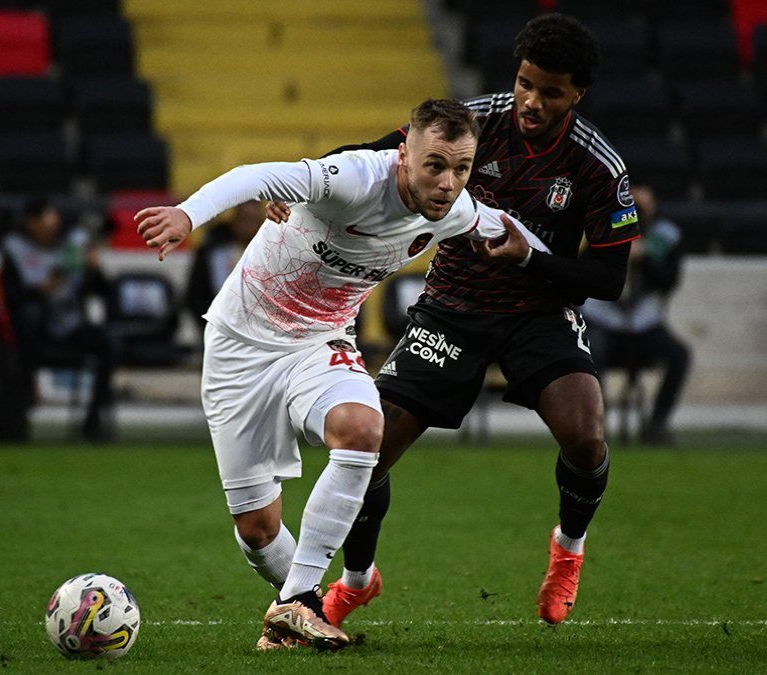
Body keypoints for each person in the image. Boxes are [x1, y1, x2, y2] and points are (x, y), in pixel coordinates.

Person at [135, 99, 547, 651]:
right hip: (240, 347)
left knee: (362, 429)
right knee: (257, 531)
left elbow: (509, 229)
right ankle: (306, 598)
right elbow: (253, 175)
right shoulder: (354, 177)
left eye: (462, 168)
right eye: (435, 165)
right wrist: (187, 214)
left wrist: (546, 271)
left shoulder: (455, 209)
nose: (449, 182)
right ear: (404, 156)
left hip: (319, 343)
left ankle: (298, 604)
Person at [290, 13, 640, 628]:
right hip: (451, 308)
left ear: (577, 93)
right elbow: (375, 153)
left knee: (586, 439)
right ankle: (356, 580)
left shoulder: (598, 167)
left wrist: (531, 256)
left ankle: (568, 551)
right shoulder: (477, 122)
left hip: (538, 314)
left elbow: (608, 281)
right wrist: (302, 182)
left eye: (550, 91)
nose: (531, 100)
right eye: (526, 82)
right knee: (367, 453)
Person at [0, 196, 119, 441]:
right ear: (31, 223)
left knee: (110, 343)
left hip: (70, 323)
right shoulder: (15, 248)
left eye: (53, 222)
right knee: (29, 318)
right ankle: (19, 414)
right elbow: (11, 296)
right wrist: (39, 291)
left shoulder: (72, 246)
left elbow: (103, 291)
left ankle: (93, 418)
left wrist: (93, 269)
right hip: (34, 330)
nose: (51, 228)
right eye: (45, 221)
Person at [582, 185, 691, 446]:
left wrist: (645, 259)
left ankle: (656, 425)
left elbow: (668, 281)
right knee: (589, 353)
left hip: (643, 326)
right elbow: (585, 273)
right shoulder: (597, 231)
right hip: (602, 322)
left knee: (679, 355)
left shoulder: (664, 237)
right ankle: (596, 426)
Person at [184, 199, 263, 340]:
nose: (247, 226)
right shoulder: (214, 251)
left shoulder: (274, 250)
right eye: (244, 219)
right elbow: (196, 295)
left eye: (252, 220)